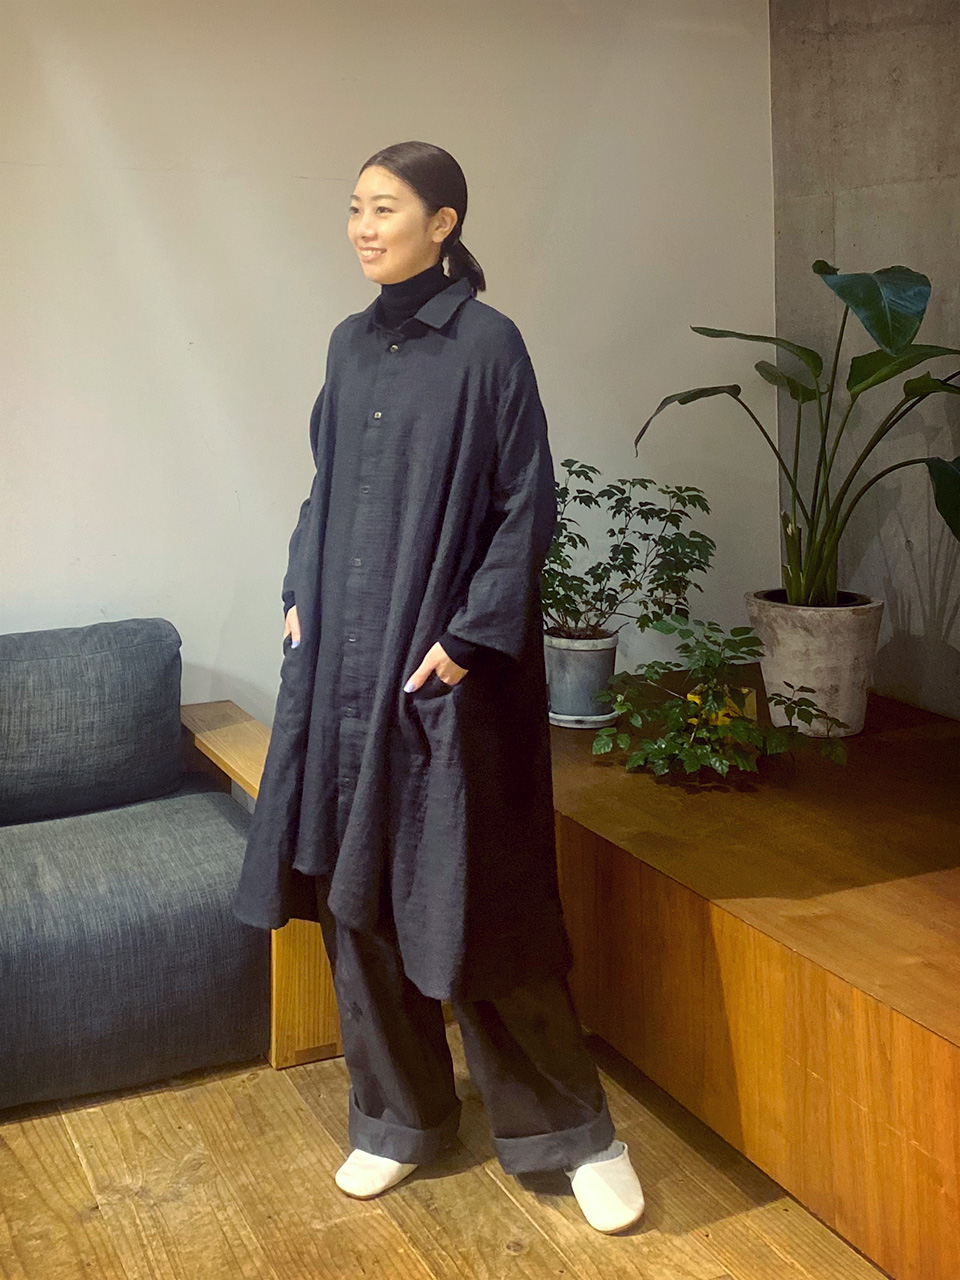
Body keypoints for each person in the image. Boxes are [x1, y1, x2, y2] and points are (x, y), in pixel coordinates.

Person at [233, 141, 645, 1234]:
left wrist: (466, 638)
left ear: (444, 222)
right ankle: (398, 1118)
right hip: (342, 670)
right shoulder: (348, 344)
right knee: (354, 891)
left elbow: (525, 502)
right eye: (355, 209)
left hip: (445, 674)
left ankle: (573, 1133)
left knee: (477, 898)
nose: (363, 228)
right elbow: (324, 487)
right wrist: (298, 589)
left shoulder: (488, 345)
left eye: (385, 208)